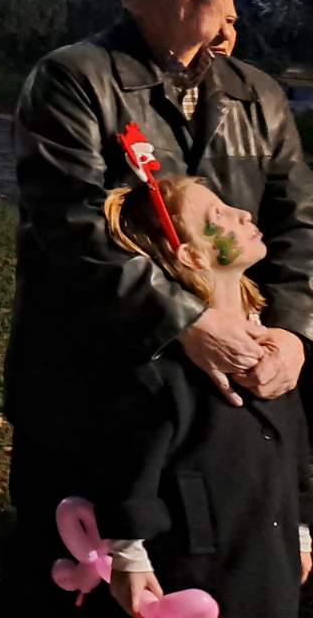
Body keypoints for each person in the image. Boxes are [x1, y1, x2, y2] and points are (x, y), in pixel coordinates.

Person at [0, 0, 313, 615]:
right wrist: (187, 323)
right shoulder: (76, 78)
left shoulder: (258, 97)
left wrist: (291, 333)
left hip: (226, 403)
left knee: (216, 569)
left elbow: (297, 226)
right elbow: (69, 223)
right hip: (90, 384)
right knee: (70, 576)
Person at [92, 172, 311, 617]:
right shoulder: (163, 367)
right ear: (191, 255)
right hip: (193, 575)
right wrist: (129, 554)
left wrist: (300, 529)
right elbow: (128, 464)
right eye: (219, 217)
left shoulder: (270, 343)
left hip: (271, 566)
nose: (243, 213)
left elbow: (294, 448)